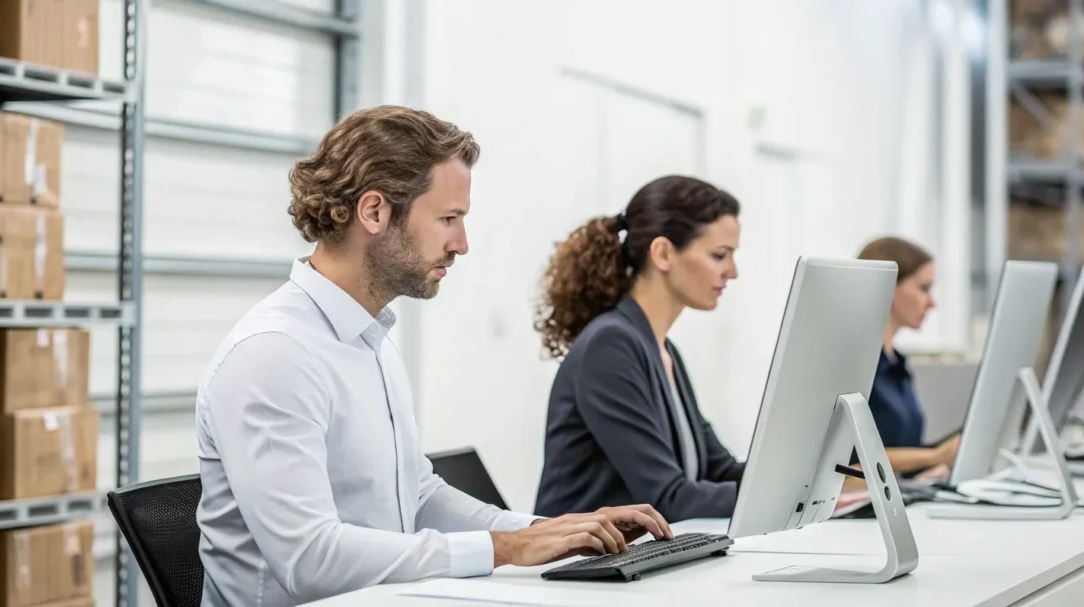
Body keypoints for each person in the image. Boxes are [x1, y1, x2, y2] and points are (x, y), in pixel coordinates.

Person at [194, 105, 673, 607]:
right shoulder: (275, 355)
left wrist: (554, 532)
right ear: (374, 211)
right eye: (448, 219)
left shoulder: (367, 339)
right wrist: (504, 549)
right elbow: (310, 559)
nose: (461, 245)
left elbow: (417, 497)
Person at [532, 175, 746, 524]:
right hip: (578, 569)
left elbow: (716, 469)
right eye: (719, 255)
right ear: (663, 253)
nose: (732, 272)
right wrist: (791, 495)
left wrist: (814, 481)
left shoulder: (663, 350)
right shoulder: (611, 345)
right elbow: (668, 498)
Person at [856, 236, 960, 478]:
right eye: (924, 288)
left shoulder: (896, 365)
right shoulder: (856, 366)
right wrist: (936, 456)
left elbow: (903, 454)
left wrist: (940, 461)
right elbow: (845, 468)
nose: (932, 303)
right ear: (888, 287)